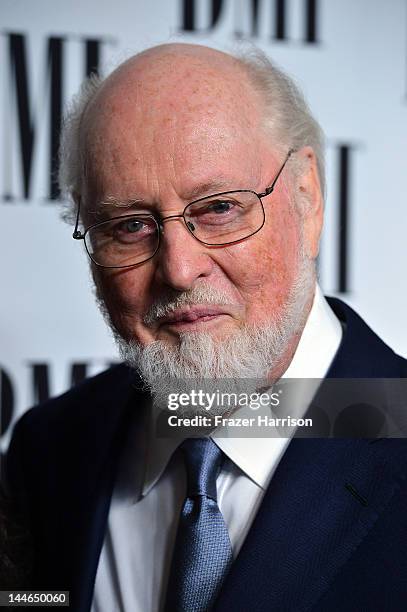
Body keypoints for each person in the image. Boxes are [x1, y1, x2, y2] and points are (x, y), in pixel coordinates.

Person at [6, 43, 407, 611]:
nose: (179, 267)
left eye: (219, 208)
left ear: (307, 198)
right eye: (130, 225)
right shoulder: (48, 451)